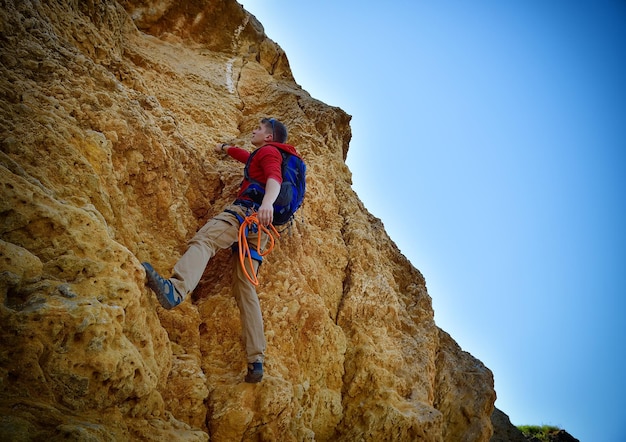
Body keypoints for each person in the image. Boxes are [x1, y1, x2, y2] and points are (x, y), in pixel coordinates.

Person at [141, 117, 300, 383]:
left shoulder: (269, 152)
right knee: (245, 287)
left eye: (259, 129)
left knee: (204, 241)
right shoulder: (271, 155)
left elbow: (273, 177)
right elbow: (248, 160)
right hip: (260, 232)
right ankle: (256, 359)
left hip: (247, 214)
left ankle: (176, 289)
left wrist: (266, 205)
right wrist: (226, 148)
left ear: (270, 137)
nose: (254, 130)